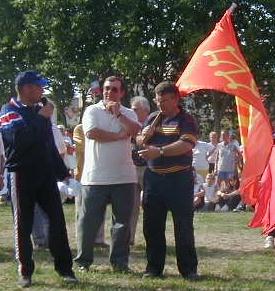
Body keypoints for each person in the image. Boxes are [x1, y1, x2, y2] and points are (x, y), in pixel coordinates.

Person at [0, 71, 77, 287]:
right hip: (21, 174)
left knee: (57, 222)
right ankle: (25, 272)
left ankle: (65, 269)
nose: (43, 91)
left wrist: (63, 173)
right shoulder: (9, 111)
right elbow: (21, 141)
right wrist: (42, 117)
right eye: (39, 87)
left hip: (45, 175)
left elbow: (48, 145)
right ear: (26, 88)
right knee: (23, 225)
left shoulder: (39, 112)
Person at [74, 76, 140, 272]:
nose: (109, 92)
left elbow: (136, 131)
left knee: (122, 224)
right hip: (95, 177)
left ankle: (119, 263)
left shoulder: (128, 113)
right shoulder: (92, 110)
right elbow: (92, 133)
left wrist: (119, 115)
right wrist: (120, 135)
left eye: (114, 89)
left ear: (122, 93)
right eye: (106, 88)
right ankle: (83, 262)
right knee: (88, 223)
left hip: (124, 177)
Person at [138, 81, 199, 279]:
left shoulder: (186, 119)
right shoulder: (152, 118)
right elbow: (140, 140)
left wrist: (161, 151)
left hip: (179, 180)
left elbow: (186, 144)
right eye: (158, 101)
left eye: (164, 100)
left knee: (183, 226)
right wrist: (141, 137)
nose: (160, 105)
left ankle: (188, 269)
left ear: (176, 99)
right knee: (152, 226)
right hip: (154, 180)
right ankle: (154, 268)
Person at [73, 123, 108, 248]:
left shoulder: (104, 127)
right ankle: (81, 238)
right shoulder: (79, 129)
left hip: (100, 174)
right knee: (82, 210)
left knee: (99, 209)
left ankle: (98, 239)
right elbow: (81, 147)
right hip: (82, 175)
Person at [130, 96, 150, 245]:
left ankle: (152, 237)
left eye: (135, 109)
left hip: (149, 169)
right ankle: (129, 238)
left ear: (145, 110)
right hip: (131, 168)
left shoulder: (152, 124)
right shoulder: (130, 124)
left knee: (150, 205)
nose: (132, 111)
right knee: (131, 206)